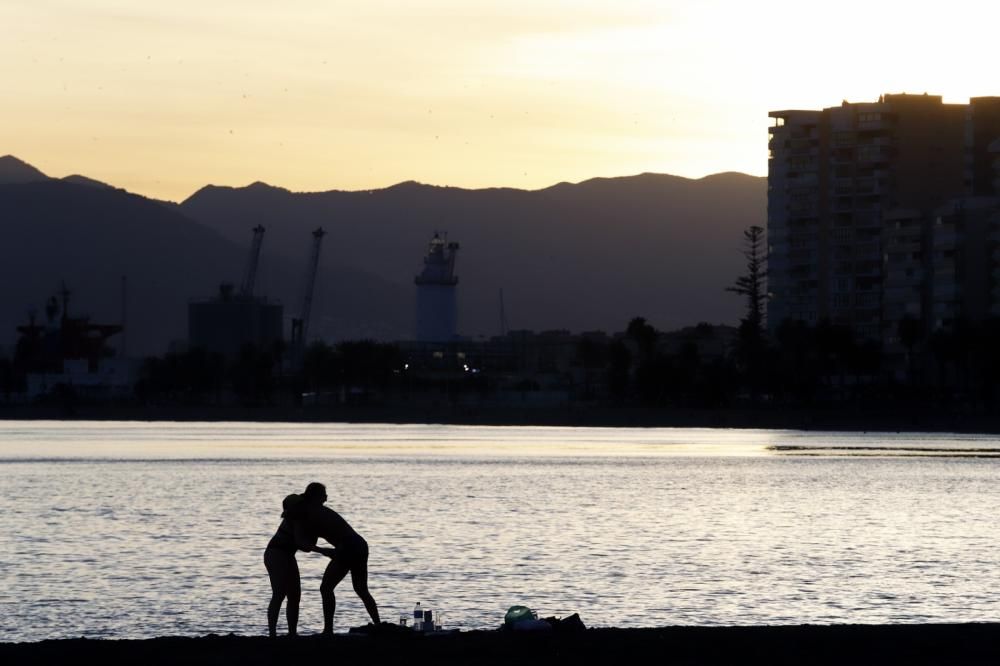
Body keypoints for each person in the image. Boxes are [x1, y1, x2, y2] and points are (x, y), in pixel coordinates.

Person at [299, 482, 381, 634]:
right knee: (361, 589)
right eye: (323, 494)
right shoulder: (318, 512)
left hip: (349, 546)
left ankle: (328, 630)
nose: (326, 497)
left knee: (326, 588)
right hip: (360, 544)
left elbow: (308, 543)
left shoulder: (313, 513)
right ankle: (378, 625)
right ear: (315, 497)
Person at [263, 492, 314, 638]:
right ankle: (272, 633)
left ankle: (292, 632)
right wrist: (322, 550)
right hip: (276, 554)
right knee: (279, 594)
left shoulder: (300, 518)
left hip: (287, 555)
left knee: (294, 595)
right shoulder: (295, 519)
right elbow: (301, 544)